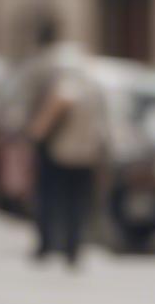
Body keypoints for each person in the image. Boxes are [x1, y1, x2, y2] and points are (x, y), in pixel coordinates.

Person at [24, 36, 110, 268]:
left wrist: (34, 135)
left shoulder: (66, 85)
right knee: (77, 203)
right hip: (86, 155)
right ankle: (72, 248)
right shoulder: (94, 85)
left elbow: (48, 118)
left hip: (60, 154)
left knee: (51, 199)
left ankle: (47, 245)